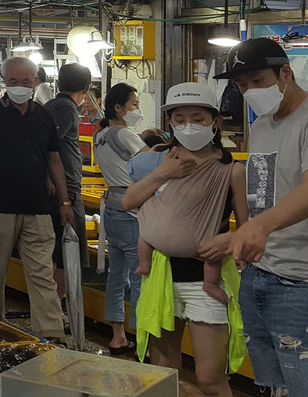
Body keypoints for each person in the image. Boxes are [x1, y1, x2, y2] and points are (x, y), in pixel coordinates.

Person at [123, 83, 247, 396]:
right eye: (179, 118)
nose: (188, 125)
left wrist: (228, 241)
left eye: (198, 118)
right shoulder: (156, 161)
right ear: (170, 123)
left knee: (209, 379)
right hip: (161, 274)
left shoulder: (231, 170)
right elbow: (128, 201)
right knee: (162, 372)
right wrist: (163, 173)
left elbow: (247, 227)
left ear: (214, 122)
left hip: (206, 278)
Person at [199, 38, 308, 396]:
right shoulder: (261, 125)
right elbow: (264, 195)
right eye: (242, 84)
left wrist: (257, 227)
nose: (249, 91)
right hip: (260, 274)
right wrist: (241, 233)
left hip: (299, 281)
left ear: (285, 73)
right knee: (271, 386)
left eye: (258, 80)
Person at [0, 57, 72, 342]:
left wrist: (65, 202)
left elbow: (54, 160)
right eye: (13, 82)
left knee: (42, 274)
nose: (20, 87)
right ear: (4, 82)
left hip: (38, 207)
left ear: (35, 82)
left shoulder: (43, 115)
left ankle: (51, 334)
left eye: (25, 82)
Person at [92, 83, 147, 355]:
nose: (138, 109)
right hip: (132, 211)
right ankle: (142, 340)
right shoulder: (125, 134)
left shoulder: (100, 135)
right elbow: (151, 165)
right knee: (140, 278)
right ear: (119, 107)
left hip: (111, 210)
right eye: (135, 104)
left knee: (116, 276)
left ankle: (117, 336)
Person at [44, 63, 92, 293]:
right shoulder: (65, 107)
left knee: (58, 252)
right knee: (67, 252)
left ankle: (55, 306)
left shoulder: (53, 104)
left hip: (62, 188)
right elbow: (48, 146)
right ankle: (58, 309)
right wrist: (51, 179)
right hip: (66, 191)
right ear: (88, 87)